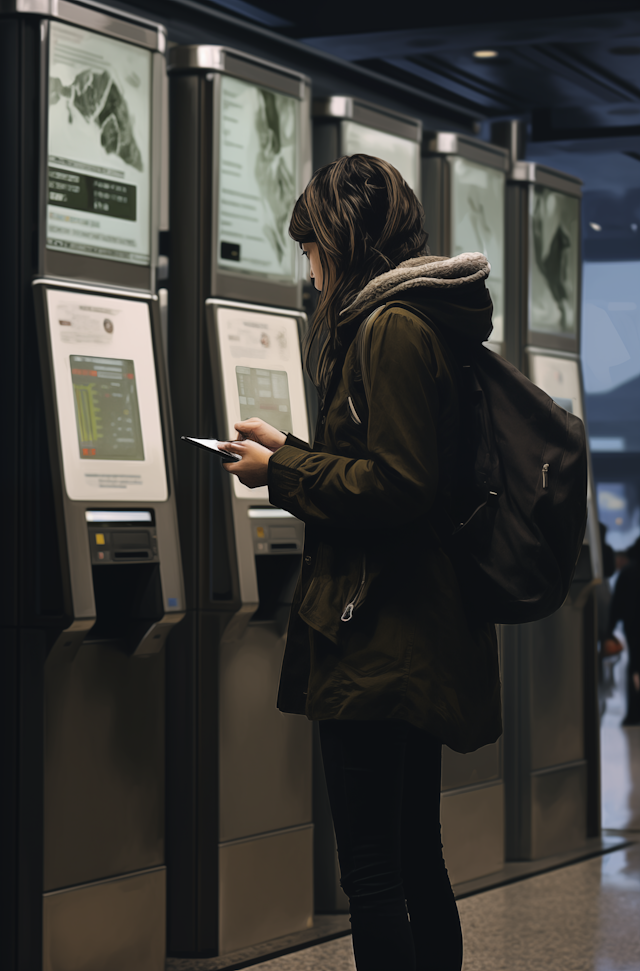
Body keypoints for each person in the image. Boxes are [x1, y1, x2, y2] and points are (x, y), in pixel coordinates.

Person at [220, 154, 502, 971]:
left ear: (342, 242)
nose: (309, 274)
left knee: (377, 867)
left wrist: (282, 472)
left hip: (380, 632)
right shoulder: (424, 321)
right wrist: (296, 455)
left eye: (311, 252)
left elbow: (399, 484)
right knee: (416, 853)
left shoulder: (390, 327)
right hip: (413, 624)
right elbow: (390, 464)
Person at [608, 537, 640, 726]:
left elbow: (617, 604)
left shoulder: (628, 572)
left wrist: (609, 630)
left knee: (635, 668)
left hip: (634, 629)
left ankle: (635, 712)